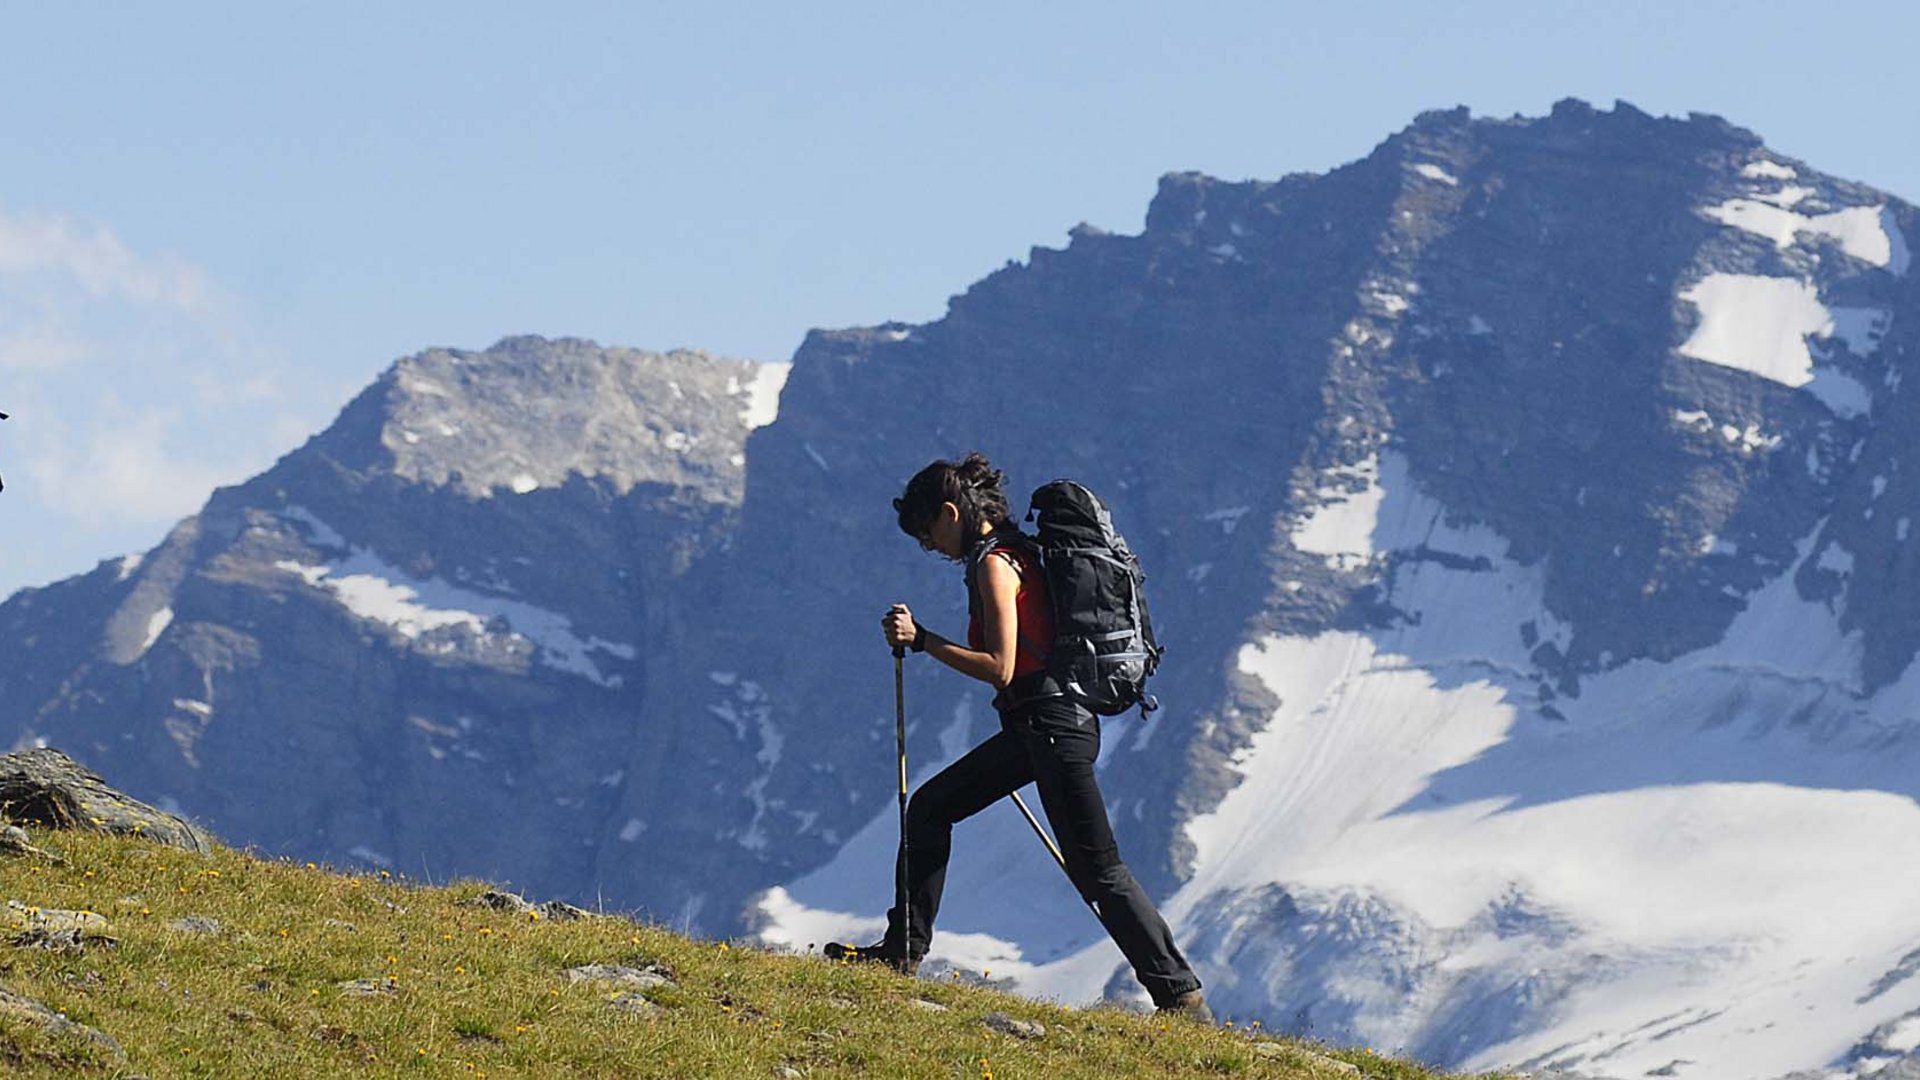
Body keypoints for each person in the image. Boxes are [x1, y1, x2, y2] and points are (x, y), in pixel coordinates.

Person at [826, 452, 1209, 1021]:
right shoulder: (1023, 554)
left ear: (952, 513)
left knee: (1097, 868)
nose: (931, 548)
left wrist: (923, 639)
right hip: (1044, 729)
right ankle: (900, 953)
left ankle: (1180, 996)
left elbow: (1001, 666)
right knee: (931, 808)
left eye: (929, 533)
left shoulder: (995, 564)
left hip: (1052, 729)